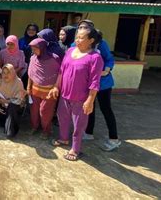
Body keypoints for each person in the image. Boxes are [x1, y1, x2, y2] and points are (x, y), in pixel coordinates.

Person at [48, 26, 103, 161]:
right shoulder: (70, 51)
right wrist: (56, 87)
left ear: (91, 40)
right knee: (62, 118)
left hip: (81, 98)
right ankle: (63, 139)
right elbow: (62, 70)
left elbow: (95, 82)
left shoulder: (95, 58)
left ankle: (75, 149)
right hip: (64, 95)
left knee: (79, 125)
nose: (77, 40)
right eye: (77, 37)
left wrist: (90, 100)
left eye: (81, 37)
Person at [77, 23, 121, 151]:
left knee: (106, 109)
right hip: (88, 83)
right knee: (90, 108)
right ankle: (89, 133)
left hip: (103, 84)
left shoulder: (101, 43)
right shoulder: (79, 45)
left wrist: (106, 70)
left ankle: (114, 139)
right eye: (80, 28)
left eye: (84, 28)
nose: (81, 30)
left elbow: (109, 59)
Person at [27, 38, 62, 139]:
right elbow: (30, 73)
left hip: (49, 91)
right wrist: (28, 87)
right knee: (34, 110)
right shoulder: (33, 58)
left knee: (45, 112)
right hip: (35, 89)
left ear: (42, 48)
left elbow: (60, 73)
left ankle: (46, 130)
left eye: (35, 49)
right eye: (32, 49)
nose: (33, 51)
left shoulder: (54, 58)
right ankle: (34, 126)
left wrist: (56, 87)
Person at [0, 64, 25, 136]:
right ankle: (9, 123)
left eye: (8, 73)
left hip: (15, 107)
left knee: (12, 107)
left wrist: (7, 101)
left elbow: (19, 100)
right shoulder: (0, 82)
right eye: (4, 73)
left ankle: (11, 132)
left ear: (13, 73)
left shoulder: (18, 82)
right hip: (3, 106)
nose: (5, 75)